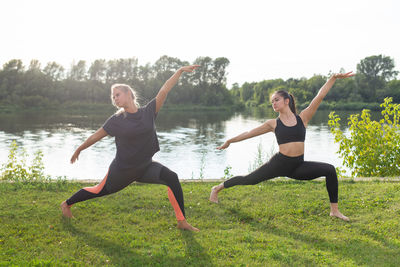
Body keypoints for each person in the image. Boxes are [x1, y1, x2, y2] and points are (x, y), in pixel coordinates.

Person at [61, 65, 200, 231]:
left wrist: (179, 72)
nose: (115, 99)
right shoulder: (116, 120)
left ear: (129, 94)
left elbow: (164, 91)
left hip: (145, 166)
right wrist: (79, 149)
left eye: (117, 95)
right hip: (122, 170)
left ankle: (182, 221)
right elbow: (96, 136)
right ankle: (67, 204)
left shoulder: (149, 112)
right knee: (99, 190)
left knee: (172, 178)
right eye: (113, 97)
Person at [210, 72, 355, 221]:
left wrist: (333, 78)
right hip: (279, 164)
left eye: (276, 100)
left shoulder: (303, 118)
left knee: (330, 170)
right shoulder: (272, 124)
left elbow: (319, 97)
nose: (274, 103)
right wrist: (230, 141)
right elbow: (249, 133)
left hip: (298, 166)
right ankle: (216, 189)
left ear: (287, 101)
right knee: (249, 179)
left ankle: (334, 211)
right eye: (272, 101)